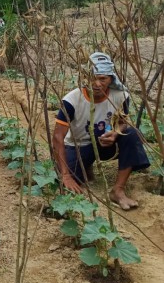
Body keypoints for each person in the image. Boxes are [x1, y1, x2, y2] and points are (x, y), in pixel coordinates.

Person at [52, 52, 149, 210]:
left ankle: (118, 190)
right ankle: (85, 166)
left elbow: (123, 123)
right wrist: (65, 175)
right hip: (79, 145)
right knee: (68, 181)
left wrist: (116, 133)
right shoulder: (71, 100)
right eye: (92, 77)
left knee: (131, 133)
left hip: (106, 145)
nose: (96, 83)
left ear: (110, 79)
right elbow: (57, 137)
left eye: (102, 78)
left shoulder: (120, 96)